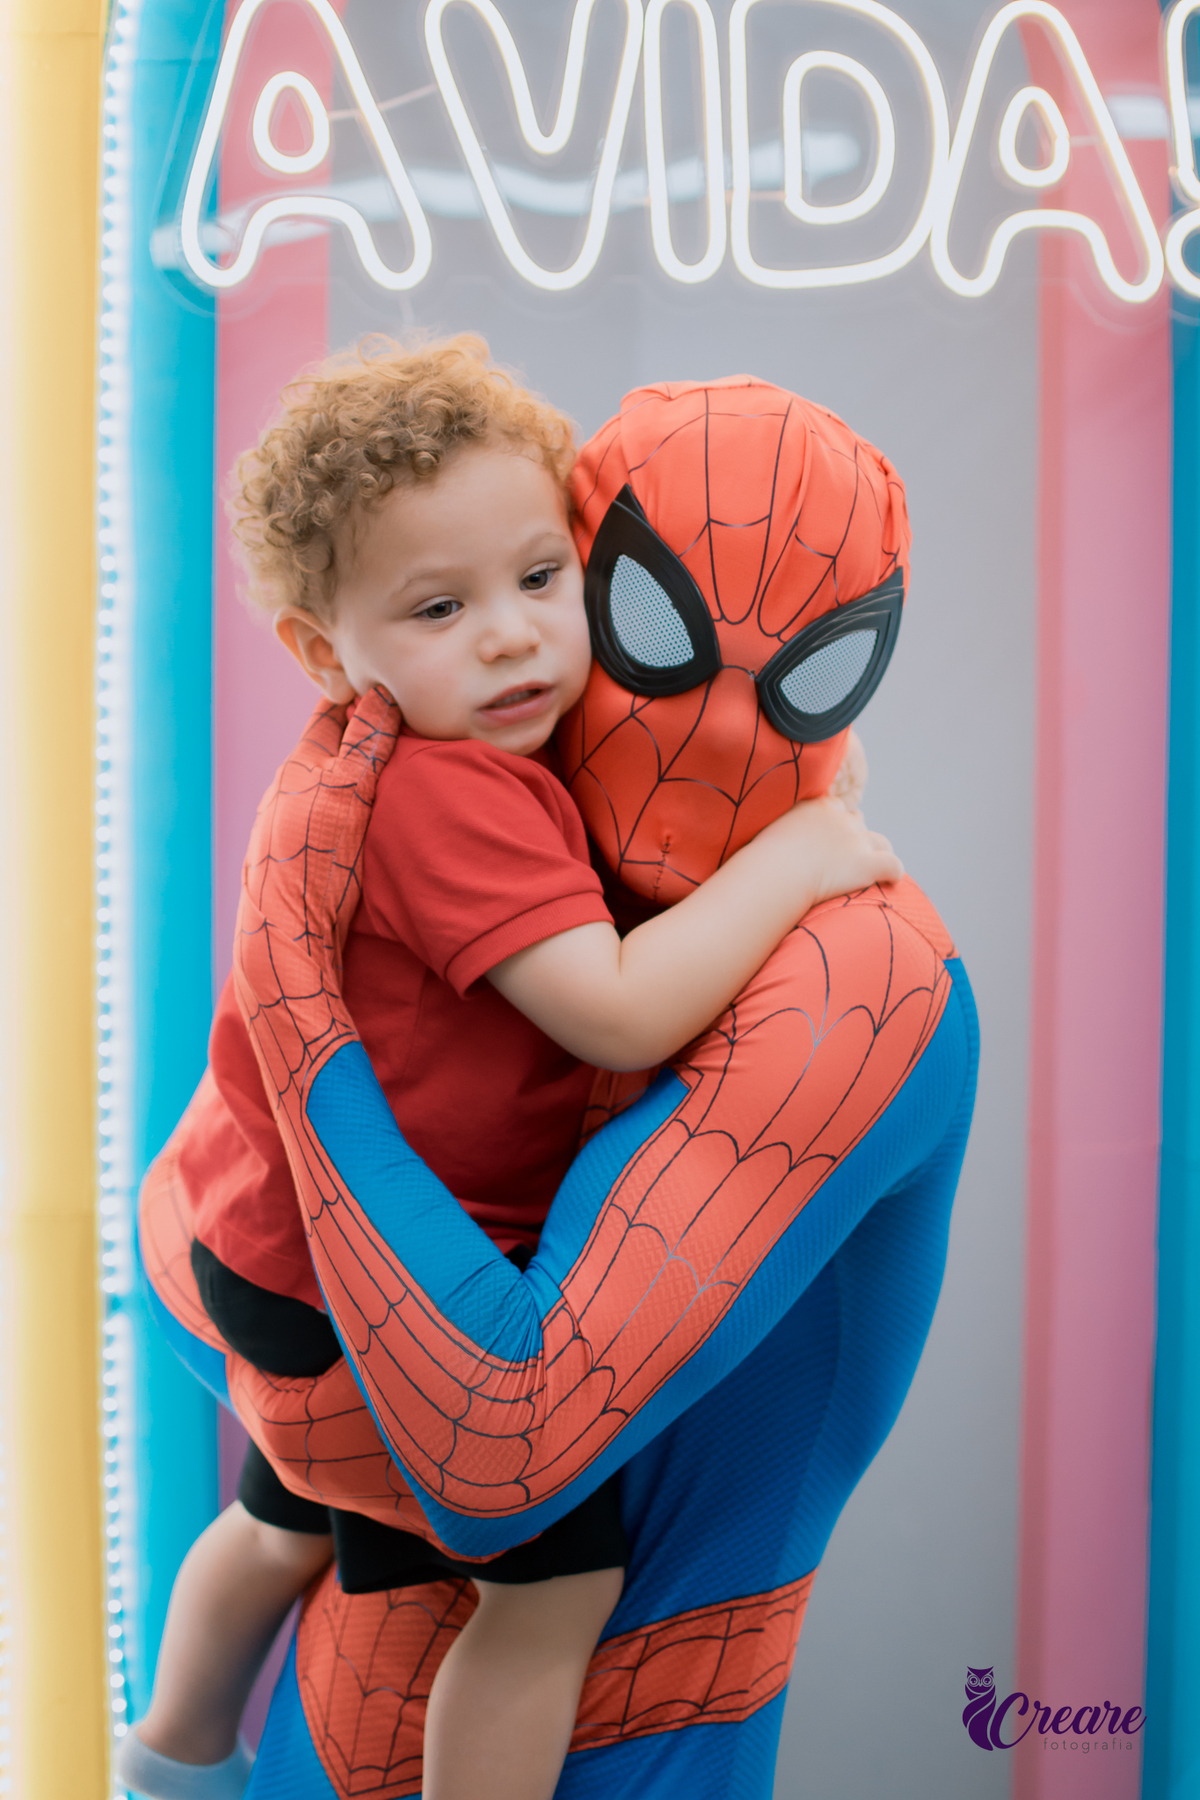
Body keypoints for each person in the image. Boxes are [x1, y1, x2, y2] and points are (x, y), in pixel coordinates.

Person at [118, 337, 900, 1800]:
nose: (511, 638)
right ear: (320, 648)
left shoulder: (416, 749)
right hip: (344, 1293)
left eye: (544, 580)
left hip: (264, 1240)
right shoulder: (448, 798)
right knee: (546, 1591)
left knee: (282, 1516)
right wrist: (798, 856)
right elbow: (612, 1013)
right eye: (438, 607)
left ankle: (170, 1755)